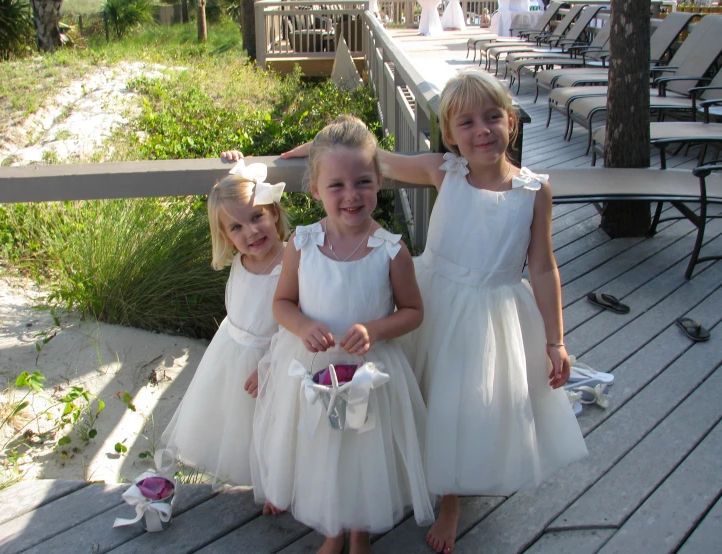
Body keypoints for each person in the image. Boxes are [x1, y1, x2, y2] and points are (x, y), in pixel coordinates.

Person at [282, 71, 588, 553]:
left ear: (512, 121)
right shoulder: (444, 170)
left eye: (492, 118)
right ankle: (404, 476)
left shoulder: (533, 191)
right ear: (450, 135)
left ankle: (451, 498)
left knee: (463, 403)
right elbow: (371, 158)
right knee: (416, 392)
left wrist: (556, 341)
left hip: (493, 310)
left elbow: (544, 267)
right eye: (465, 123)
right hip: (435, 297)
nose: (481, 130)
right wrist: (316, 147)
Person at [252, 116, 434, 554]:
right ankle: (334, 530)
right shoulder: (302, 243)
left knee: (364, 454)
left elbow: (413, 312)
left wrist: (375, 328)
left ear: (379, 183)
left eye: (363, 182)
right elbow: (281, 304)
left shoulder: (391, 249)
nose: (351, 195)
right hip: (314, 369)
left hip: (372, 373)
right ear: (315, 188)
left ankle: (360, 533)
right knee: (324, 452)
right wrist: (302, 325)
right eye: (336, 185)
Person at [161, 151, 289, 509]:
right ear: (225, 236)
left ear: (274, 212)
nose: (250, 231)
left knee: (275, 428)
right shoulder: (240, 262)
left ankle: (276, 488)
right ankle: (259, 482)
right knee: (242, 428)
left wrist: (271, 366)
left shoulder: (293, 262)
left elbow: (296, 322)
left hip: (271, 360)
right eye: (236, 227)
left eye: (257, 217)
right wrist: (236, 158)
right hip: (230, 354)